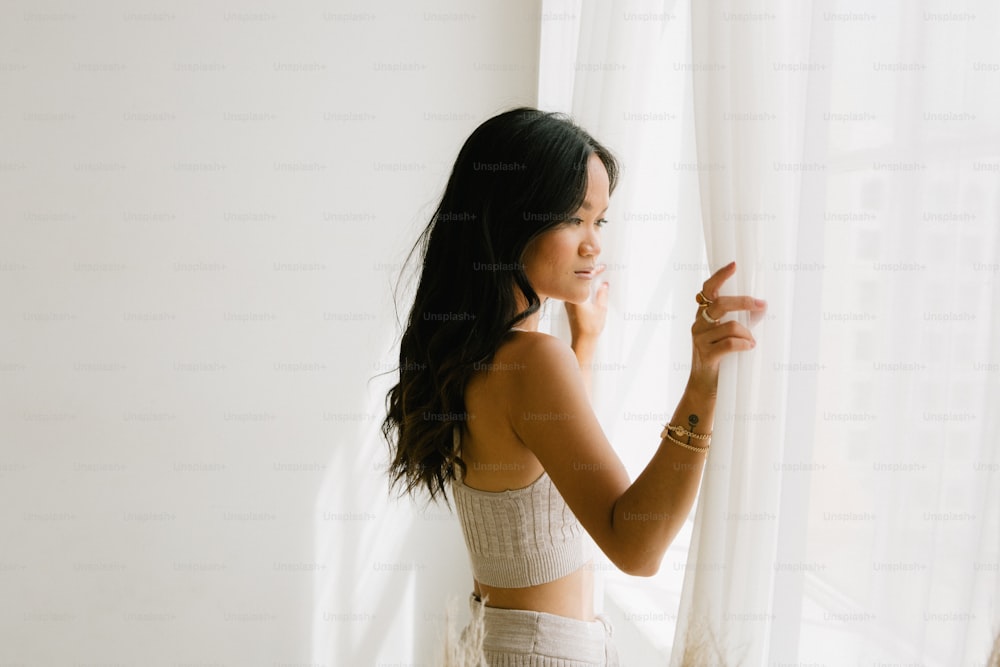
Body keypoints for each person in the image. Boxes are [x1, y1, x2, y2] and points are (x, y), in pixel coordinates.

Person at [381, 107, 767, 666]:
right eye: (572, 218)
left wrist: (584, 345)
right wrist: (701, 383)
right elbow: (638, 550)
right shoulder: (533, 360)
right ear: (507, 219)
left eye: (600, 221)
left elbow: (540, 465)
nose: (594, 245)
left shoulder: (464, 352)